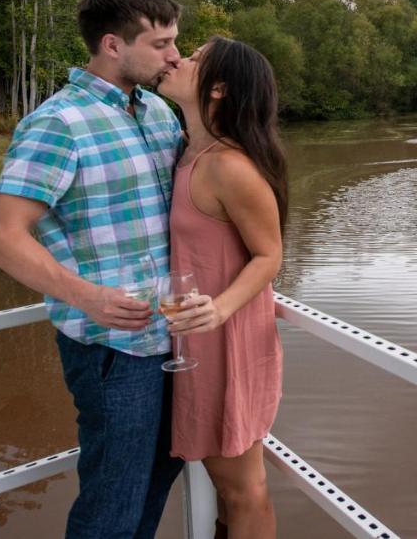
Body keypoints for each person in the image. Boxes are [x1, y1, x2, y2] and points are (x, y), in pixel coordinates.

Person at [0, 0, 186, 538]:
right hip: (111, 351)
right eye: (162, 43)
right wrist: (86, 296)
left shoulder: (159, 113)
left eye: (176, 42)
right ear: (112, 45)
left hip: (171, 339)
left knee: (158, 480)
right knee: (112, 501)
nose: (175, 56)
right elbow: (3, 236)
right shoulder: (58, 123)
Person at [157, 36, 286, 538]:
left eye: (191, 59)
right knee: (228, 491)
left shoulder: (230, 165)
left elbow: (269, 254)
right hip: (199, 341)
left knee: (242, 489)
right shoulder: (191, 151)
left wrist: (220, 308)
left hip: (227, 341)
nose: (176, 59)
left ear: (218, 88)